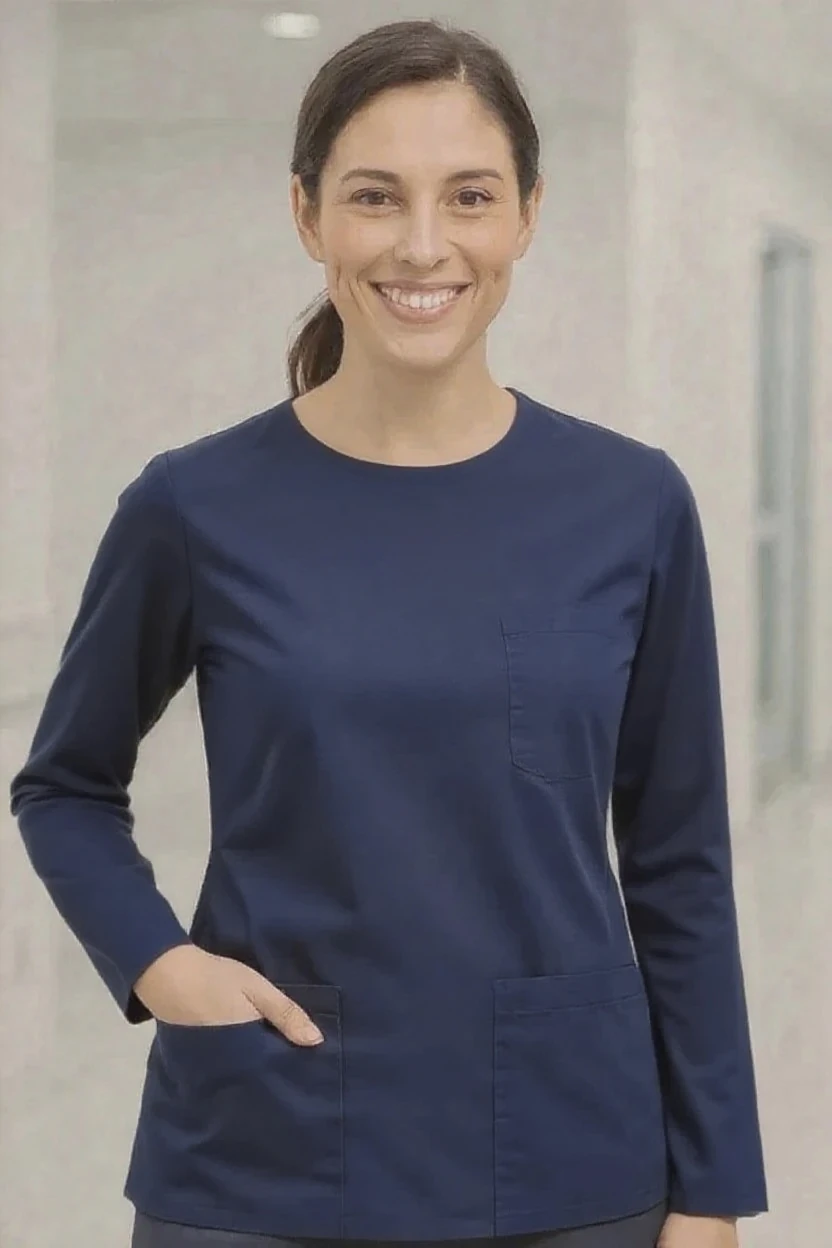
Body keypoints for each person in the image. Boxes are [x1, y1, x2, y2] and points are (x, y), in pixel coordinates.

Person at [8, 18, 767, 1248]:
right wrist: (160, 964)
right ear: (308, 217)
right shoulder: (194, 508)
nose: (424, 244)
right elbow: (65, 787)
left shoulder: (632, 506)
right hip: (264, 1154)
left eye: (468, 195)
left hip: (566, 1157)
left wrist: (714, 1189)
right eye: (375, 197)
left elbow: (680, 867)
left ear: (526, 212)